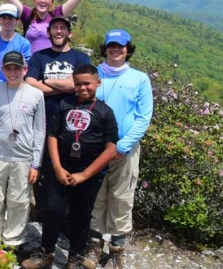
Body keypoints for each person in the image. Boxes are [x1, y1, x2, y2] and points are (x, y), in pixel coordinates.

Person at [21, 65, 118, 269]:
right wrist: (56, 166)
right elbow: (53, 135)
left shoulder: (105, 112)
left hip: (88, 174)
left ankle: (75, 257)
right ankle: (46, 252)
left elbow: (110, 149)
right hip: (60, 170)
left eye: (87, 83)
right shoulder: (65, 104)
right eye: (78, 84)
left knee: (81, 215)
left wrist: (85, 174)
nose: (83, 88)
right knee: (53, 211)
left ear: (98, 83)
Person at [83, 30, 153, 269]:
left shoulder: (140, 79)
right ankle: (94, 247)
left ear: (128, 49)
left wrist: (122, 146)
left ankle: (116, 250)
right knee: (96, 198)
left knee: (121, 199)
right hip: (95, 149)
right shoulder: (93, 74)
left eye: (120, 46)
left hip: (125, 150)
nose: (116, 50)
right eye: (111, 45)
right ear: (105, 48)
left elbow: (143, 118)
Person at [25, 16, 92, 216]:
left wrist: (46, 81)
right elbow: (29, 81)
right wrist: (64, 87)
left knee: (69, 166)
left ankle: (67, 216)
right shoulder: (39, 57)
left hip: (73, 124)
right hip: (43, 120)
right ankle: (43, 212)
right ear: (49, 33)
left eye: (63, 28)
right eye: (55, 28)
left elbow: (79, 84)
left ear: (69, 33)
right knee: (43, 167)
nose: (59, 31)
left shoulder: (81, 58)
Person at [0, 51, 46, 246]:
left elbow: (39, 130)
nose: (13, 72)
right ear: (2, 70)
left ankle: (13, 241)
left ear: (25, 69)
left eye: (17, 68)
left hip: (23, 157)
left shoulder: (36, 94)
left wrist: (36, 163)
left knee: (19, 200)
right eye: (8, 68)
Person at [0, 3, 32, 85]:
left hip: (15, 84)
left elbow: (24, 67)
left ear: (17, 21)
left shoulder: (24, 43)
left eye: (10, 18)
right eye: (4, 18)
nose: (7, 21)